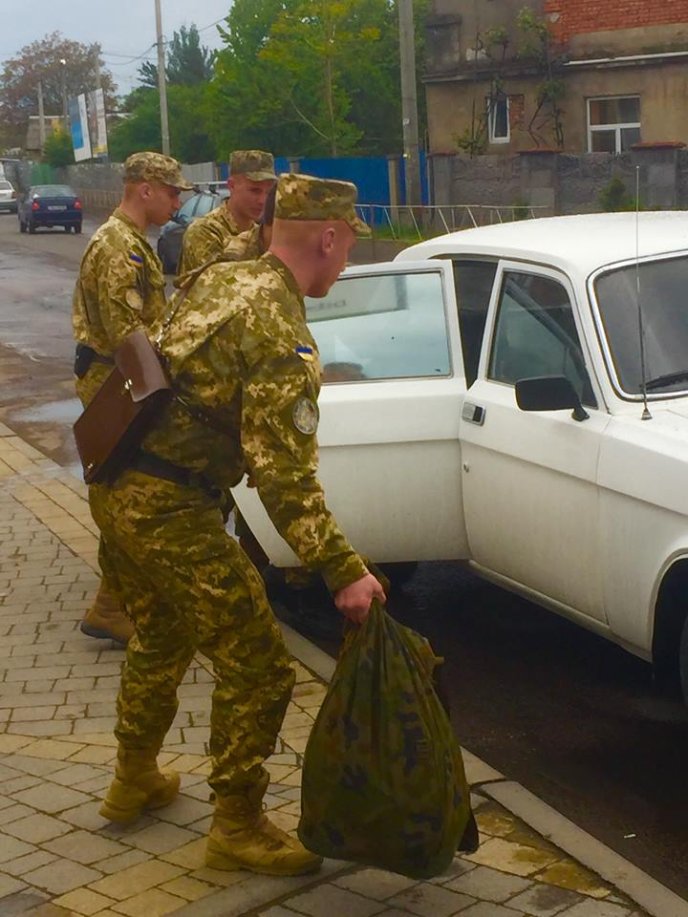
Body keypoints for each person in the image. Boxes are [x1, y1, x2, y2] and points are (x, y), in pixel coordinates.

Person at [91, 173, 386, 877]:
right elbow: (283, 477)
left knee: (163, 631)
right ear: (327, 236)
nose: (346, 264)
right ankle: (237, 824)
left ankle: (134, 777)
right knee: (258, 662)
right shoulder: (278, 327)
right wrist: (344, 570)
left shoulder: (221, 278)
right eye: (347, 249)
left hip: (118, 484)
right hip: (168, 505)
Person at [72, 151, 193, 646]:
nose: (178, 200)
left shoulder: (129, 241)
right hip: (116, 383)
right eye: (171, 191)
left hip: (118, 379)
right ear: (144, 188)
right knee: (126, 494)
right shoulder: (120, 246)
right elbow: (128, 333)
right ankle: (116, 606)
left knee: (123, 493)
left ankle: (111, 604)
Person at [176, 149, 276, 277]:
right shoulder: (204, 231)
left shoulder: (261, 232)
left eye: (268, 192)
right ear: (232, 185)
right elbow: (218, 284)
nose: (263, 200)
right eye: (254, 190)